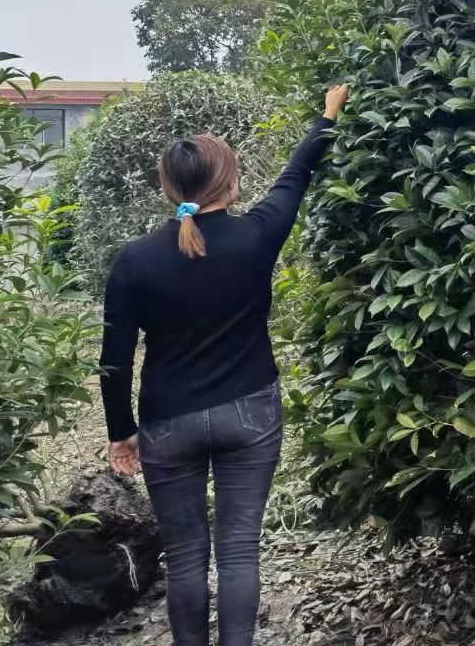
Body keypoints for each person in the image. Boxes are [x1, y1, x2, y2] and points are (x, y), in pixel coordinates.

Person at [99, 84, 349, 646]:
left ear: (168, 187)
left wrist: (122, 435)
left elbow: (114, 362)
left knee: (185, 558)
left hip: (168, 423)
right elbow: (295, 176)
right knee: (239, 552)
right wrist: (327, 116)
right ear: (231, 183)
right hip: (250, 413)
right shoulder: (256, 236)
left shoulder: (133, 261)